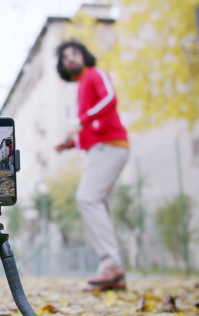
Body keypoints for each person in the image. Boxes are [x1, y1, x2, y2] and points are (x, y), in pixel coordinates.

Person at [54, 41, 130, 291]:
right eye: (65, 57)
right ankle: (115, 276)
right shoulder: (80, 88)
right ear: (62, 66)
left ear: (84, 55)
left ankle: (110, 264)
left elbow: (110, 98)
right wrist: (71, 143)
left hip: (111, 146)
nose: (71, 58)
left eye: (75, 53)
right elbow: (91, 130)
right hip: (100, 147)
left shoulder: (96, 74)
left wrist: (81, 121)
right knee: (100, 204)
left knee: (87, 198)